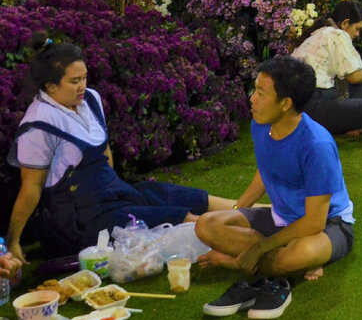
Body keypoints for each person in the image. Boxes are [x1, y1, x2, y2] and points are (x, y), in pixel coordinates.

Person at [5, 41, 236, 260]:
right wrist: (13, 240)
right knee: (180, 217)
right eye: (74, 81)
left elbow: (105, 152)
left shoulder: (90, 100)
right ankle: (245, 239)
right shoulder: (38, 126)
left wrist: (118, 189)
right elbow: (32, 186)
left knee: (177, 195)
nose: (82, 86)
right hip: (80, 219)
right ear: (50, 86)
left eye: (84, 77)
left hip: (112, 194)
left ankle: (262, 213)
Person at [195, 56, 356, 320]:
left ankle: (241, 263)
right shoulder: (261, 126)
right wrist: (239, 210)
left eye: (261, 92)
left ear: (285, 103)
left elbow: (314, 222)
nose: (252, 99)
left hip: (328, 224)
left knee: (301, 252)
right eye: (255, 90)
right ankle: (277, 265)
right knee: (206, 225)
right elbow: (265, 170)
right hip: (281, 216)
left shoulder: (316, 145)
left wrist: (257, 249)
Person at [290, 1, 362, 136]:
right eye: (357, 28)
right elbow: (353, 77)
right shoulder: (337, 34)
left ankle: (351, 126)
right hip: (313, 106)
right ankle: (354, 127)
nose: (357, 34)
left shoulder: (317, 33)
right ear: (345, 23)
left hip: (297, 106)